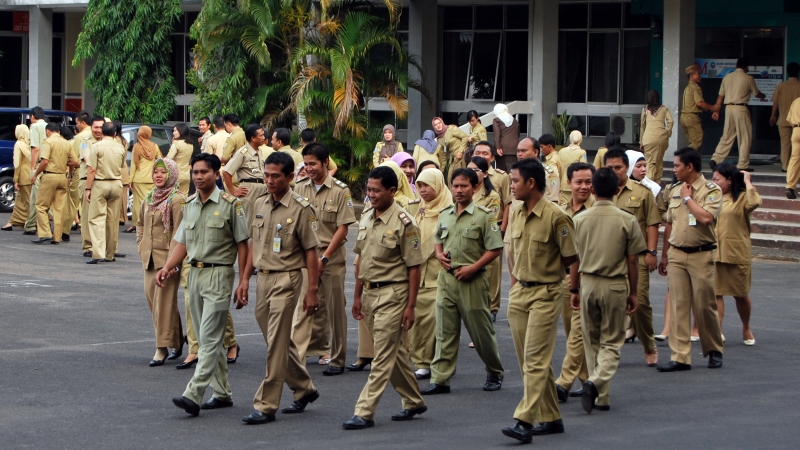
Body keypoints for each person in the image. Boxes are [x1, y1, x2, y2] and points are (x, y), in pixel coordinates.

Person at [157, 152, 248, 417]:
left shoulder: (232, 205)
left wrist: (243, 281)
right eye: (194, 172)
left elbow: (243, 245)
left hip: (218, 275)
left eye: (203, 172)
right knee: (208, 337)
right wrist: (167, 266)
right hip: (192, 275)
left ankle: (193, 393)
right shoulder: (190, 204)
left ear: (216, 174)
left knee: (208, 338)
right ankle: (222, 393)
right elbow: (183, 243)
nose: (198, 177)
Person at [234, 151, 321, 425]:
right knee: (277, 340)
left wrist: (312, 290)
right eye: (266, 175)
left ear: (290, 177)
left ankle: (266, 404)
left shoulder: (301, 208)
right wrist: (245, 279)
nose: (269, 181)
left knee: (275, 344)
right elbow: (253, 245)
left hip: (288, 278)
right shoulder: (258, 203)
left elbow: (311, 252)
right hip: (263, 277)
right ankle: (304, 388)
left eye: (275, 176)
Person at [501, 158, 579, 444]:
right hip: (520, 291)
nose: (511, 187)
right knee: (529, 362)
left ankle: (524, 420)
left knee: (535, 359)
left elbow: (572, 259)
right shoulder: (518, 213)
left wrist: (575, 292)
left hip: (546, 293)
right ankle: (552, 417)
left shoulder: (557, 217)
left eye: (515, 181)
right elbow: (513, 254)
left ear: (531, 183)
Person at [343, 166, 427, 429]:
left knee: (382, 354)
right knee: (394, 351)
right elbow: (360, 260)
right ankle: (413, 400)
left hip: (394, 293)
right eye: (368, 190)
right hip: (369, 292)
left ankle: (364, 411)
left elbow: (414, 266)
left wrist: (411, 306)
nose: (371, 195)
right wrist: (357, 295)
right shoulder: (366, 216)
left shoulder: (405, 223)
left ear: (392, 191)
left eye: (376, 190)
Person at [421, 168, 504, 395]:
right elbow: (439, 239)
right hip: (447, 280)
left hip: (473, 280)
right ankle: (440, 379)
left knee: (481, 331)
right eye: (455, 186)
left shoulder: (484, 216)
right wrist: (439, 254)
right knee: (444, 331)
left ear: (475, 187)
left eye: (464, 186)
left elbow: (495, 248)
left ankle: (494, 370)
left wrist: (474, 267)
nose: (459, 190)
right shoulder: (446, 213)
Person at [574, 167, 647, 413]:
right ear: (617, 190)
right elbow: (633, 260)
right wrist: (634, 292)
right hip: (615, 283)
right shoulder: (627, 219)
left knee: (591, 340)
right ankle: (597, 384)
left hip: (588, 283)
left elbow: (573, 259)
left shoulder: (579, 219)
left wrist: (574, 288)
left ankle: (600, 396)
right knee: (613, 341)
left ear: (592, 189)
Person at [657, 147, 725, 372]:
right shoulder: (673, 189)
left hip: (701, 254)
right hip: (676, 253)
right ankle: (680, 356)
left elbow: (706, 217)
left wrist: (687, 199)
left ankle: (714, 349)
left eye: (677, 165)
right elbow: (667, 221)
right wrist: (664, 254)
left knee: (705, 305)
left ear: (690, 166)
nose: (674, 169)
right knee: (678, 305)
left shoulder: (711, 190)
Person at [295, 142, 357, 375]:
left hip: (331, 257)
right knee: (304, 307)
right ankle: (298, 355)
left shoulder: (341, 191)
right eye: (306, 164)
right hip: (306, 257)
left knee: (334, 308)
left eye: (313, 164)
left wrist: (325, 258)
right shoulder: (300, 188)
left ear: (325, 162)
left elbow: (343, 228)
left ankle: (337, 358)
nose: (309, 168)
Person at [604, 149, 662, 366]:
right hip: (611, 258)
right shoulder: (600, 193)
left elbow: (653, 223)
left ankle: (648, 344)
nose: (614, 171)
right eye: (609, 168)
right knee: (612, 304)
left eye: (617, 167)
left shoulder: (642, 192)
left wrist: (652, 252)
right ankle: (611, 348)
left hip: (637, 257)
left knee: (642, 303)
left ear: (626, 168)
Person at [136, 158, 186, 366]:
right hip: (149, 259)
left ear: (172, 175)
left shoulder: (177, 199)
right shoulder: (149, 197)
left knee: (163, 305)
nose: (158, 176)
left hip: (167, 261)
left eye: (163, 173)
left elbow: (179, 233)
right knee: (153, 302)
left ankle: (161, 347)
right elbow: (139, 223)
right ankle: (177, 337)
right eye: (155, 172)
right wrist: (141, 245)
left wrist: (172, 263)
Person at [554, 162, 595, 403]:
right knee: (573, 334)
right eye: (579, 182)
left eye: (588, 182)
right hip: (564, 279)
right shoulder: (559, 210)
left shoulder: (598, 209)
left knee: (579, 334)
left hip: (588, 280)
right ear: (568, 183)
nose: (584, 187)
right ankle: (590, 381)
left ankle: (564, 382)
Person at [711, 163, 761, 346]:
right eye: (713, 178)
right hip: (715, 251)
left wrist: (747, 181)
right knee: (716, 293)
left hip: (736, 252)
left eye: (718, 179)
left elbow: (755, 202)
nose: (714, 182)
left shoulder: (741, 199)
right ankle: (718, 330)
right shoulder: (712, 197)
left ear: (730, 181)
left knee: (741, 294)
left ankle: (746, 326)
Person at [411, 168, 453, 380]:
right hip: (418, 276)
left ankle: (434, 362)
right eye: (419, 185)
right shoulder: (419, 210)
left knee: (436, 322)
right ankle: (421, 360)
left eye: (427, 185)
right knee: (417, 322)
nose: (423, 190)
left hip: (439, 276)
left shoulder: (450, 211)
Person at [472, 141, 512, 317]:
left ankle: (492, 309)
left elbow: (507, 204)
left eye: (485, 153)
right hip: (471, 234)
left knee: (493, 273)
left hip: (493, 228)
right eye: (477, 152)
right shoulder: (466, 176)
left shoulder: (501, 177)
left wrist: (503, 230)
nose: (481, 156)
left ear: (493, 157)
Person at [710, 58, 766, 171]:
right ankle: (742, 165)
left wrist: (716, 110)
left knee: (727, 136)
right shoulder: (748, 78)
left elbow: (720, 96)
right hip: (741, 108)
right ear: (746, 67)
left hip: (728, 108)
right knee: (744, 137)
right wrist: (762, 96)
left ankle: (715, 159)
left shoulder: (727, 78)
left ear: (736, 66)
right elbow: (756, 93)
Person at [467, 156, 502, 326]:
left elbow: (491, 219)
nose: (471, 173)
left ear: (485, 174)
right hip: (468, 244)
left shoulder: (492, 195)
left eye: (475, 170)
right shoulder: (464, 191)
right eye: (469, 169)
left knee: (489, 279)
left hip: (486, 242)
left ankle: (491, 310)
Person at [30, 122, 78, 244]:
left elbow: (45, 161)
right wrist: (64, 165)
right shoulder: (66, 143)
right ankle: (57, 237)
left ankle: (45, 233)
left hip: (49, 176)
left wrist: (35, 174)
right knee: (59, 208)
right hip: (62, 177)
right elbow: (75, 161)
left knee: (41, 205)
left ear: (48, 131)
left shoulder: (48, 142)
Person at [85, 122, 126, 263]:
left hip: (100, 184)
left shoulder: (96, 146)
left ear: (101, 132)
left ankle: (98, 253)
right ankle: (110, 254)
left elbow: (91, 169)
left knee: (96, 219)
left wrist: (88, 188)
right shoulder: (121, 147)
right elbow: (121, 166)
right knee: (112, 220)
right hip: (116, 183)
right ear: (115, 134)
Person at [222, 123, 267, 223]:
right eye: (261, 135)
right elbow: (226, 172)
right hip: (249, 190)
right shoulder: (243, 152)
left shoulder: (259, 151)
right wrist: (233, 191)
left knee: (259, 220)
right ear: (253, 138)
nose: (264, 138)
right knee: (248, 221)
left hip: (261, 188)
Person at [127, 126, 163, 234]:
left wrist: (130, 180)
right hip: (152, 179)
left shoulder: (137, 147)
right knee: (150, 201)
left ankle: (136, 224)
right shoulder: (155, 146)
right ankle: (150, 223)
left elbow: (134, 165)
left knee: (138, 203)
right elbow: (160, 160)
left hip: (139, 179)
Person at [78, 117, 104, 256]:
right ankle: (88, 246)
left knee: (103, 216)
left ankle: (104, 247)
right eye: (96, 127)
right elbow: (89, 162)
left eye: (101, 127)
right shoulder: (85, 142)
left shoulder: (108, 141)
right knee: (88, 215)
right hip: (87, 181)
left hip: (103, 181)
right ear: (91, 127)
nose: (98, 130)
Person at [681, 65, 720, 152]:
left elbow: (695, 105)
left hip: (685, 117)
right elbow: (700, 103)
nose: (700, 76)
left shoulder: (688, 88)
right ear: (691, 76)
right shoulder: (695, 87)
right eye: (698, 74)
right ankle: (684, 158)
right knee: (697, 141)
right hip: (692, 117)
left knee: (693, 142)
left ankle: (694, 164)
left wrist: (709, 109)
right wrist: (713, 108)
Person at [640, 90, 674, 184]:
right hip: (661, 139)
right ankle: (657, 189)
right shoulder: (664, 109)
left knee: (650, 164)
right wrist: (667, 132)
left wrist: (641, 141)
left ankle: (649, 188)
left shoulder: (645, 110)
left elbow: (642, 126)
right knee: (659, 163)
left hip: (648, 139)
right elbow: (670, 121)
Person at [771, 63, 800, 172]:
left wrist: (773, 115)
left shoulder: (781, 86)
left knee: (785, 144)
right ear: (798, 73)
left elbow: (775, 103)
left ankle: (785, 167)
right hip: (797, 121)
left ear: (787, 73)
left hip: (783, 119)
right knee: (797, 145)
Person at [2, 125, 32, 231]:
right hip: (32, 174)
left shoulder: (19, 144)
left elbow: (17, 163)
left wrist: (16, 179)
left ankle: (34, 223)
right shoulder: (31, 144)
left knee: (28, 200)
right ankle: (13, 221)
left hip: (23, 176)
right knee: (20, 200)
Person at [24, 106, 48, 235]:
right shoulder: (49, 126)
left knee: (37, 197)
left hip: (39, 164)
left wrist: (33, 169)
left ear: (32, 116)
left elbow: (35, 149)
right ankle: (31, 224)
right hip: (50, 165)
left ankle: (31, 225)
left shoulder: (34, 127)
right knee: (45, 197)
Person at [60, 119, 83, 239]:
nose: (77, 125)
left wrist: (70, 174)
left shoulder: (79, 139)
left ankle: (65, 230)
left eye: (77, 122)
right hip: (103, 176)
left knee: (72, 202)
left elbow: (74, 161)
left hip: (80, 172)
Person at [558, 130, 588, 203]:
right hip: (576, 184)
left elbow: (558, 168)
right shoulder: (582, 152)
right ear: (580, 139)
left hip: (563, 185)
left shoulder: (561, 151)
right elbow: (583, 168)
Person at [167, 123, 193, 195]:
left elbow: (168, 158)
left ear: (181, 131)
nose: (173, 133)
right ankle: (183, 206)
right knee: (184, 197)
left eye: (175, 131)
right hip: (186, 175)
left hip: (176, 175)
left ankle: (176, 207)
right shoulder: (190, 144)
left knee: (173, 197)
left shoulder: (176, 144)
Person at [492, 103, 520, 171]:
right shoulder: (515, 121)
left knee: (501, 171)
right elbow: (518, 134)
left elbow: (497, 134)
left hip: (502, 149)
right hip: (514, 149)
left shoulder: (497, 120)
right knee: (513, 170)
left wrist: (498, 147)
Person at [538, 133, 563, 203]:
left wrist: (552, 194)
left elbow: (554, 178)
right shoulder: (557, 156)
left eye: (542, 147)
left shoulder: (551, 161)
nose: (541, 150)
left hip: (551, 195)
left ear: (549, 146)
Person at [786, 96, 800, 199]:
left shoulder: (796, 101)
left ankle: (790, 187)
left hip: (796, 130)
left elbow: (789, 119)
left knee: (794, 159)